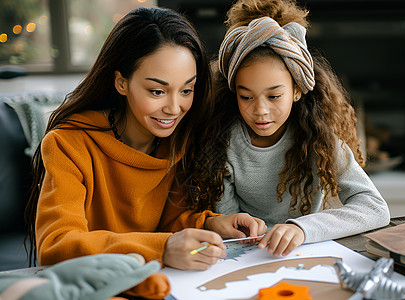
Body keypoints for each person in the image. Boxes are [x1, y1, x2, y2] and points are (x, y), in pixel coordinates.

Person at [23, 6, 266, 298]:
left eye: (186, 90)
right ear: (121, 82)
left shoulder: (178, 139)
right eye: (157, 91)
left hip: (158, 285)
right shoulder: (69, 143)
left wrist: (210, 223)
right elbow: (57, 244)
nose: (174, 108)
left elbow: (168, 222)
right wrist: (162, 249)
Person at [187, 0, 390, 259]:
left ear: (296, 90)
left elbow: (375, 208)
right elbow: (230, 222)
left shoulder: (319, 139)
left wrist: (303, 229)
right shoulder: (222, 143)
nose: (260, 110)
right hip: (250, 256)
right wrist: (241, 229)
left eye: (274, 96)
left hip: (307, 253)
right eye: (246, 96)